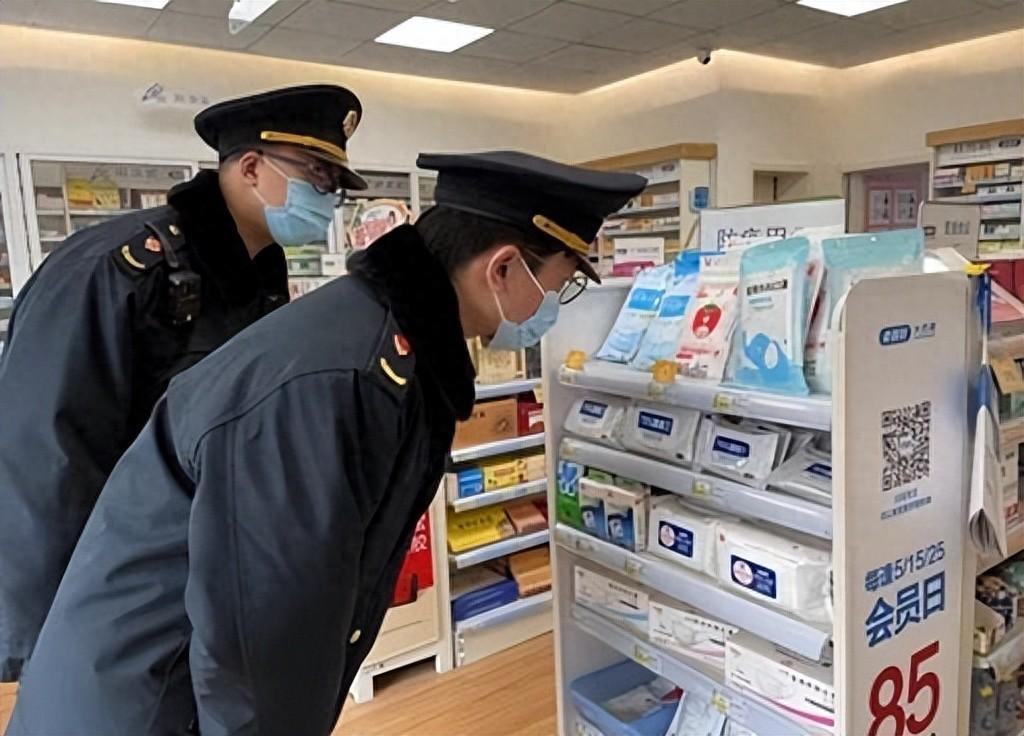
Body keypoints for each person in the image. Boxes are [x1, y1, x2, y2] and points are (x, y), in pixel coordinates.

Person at [7, 150, 645, 735]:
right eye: (561, 283)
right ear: (502, 268)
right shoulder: (338, 378)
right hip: (139, 706)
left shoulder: (383, 343)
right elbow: (260, 641)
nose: (555, 303)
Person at [0, 84, 368, 682]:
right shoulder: (118, 269)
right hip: (112, 598)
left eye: (334, 185)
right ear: (251, 167)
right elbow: (41, 459)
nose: (326, 198)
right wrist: (56, 637)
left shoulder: (257, 275)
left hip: (197, 579)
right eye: (317, 175)